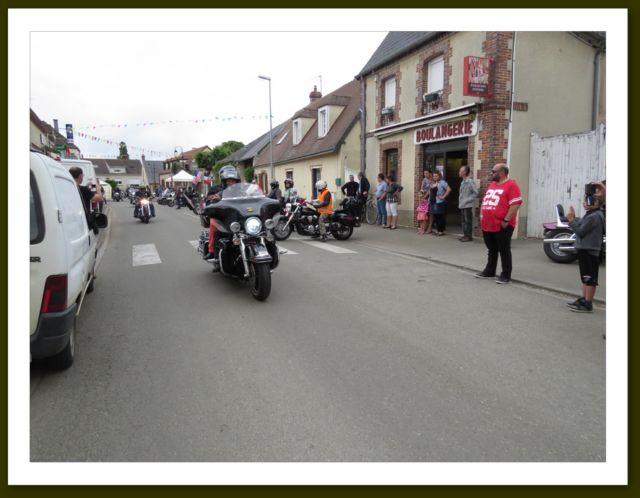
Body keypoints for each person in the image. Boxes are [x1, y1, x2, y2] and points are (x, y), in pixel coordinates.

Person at [475, 163, 523, 284]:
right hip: (488, 223)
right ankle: (489, 271)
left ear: (501, 172)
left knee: (504, 249)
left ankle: (506, 274)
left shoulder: (512, 185)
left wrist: (506, 220)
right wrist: (482, 215)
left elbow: (515, 204)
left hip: (502, 224)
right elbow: (485, 200)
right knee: (491, 249)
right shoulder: (492, 185)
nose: (492, 173)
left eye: (493, 171)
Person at [565, 188, 606, 313]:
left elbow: (580, 231)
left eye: (587, 200)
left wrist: (571, 220)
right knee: (585, 277)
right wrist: (574, 218)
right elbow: (582, 224)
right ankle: (584, 299)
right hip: (586, 249)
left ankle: (588, 304)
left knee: (589, 278)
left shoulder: (594, 216)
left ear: (596, 202)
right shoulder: (593, 214)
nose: (584, 202)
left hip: (589, 250)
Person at [203, 165, 241, 263]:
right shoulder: (216, 190)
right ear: (224, 180)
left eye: (233, 181)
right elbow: (210, 200)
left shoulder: (241, 191)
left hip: (238, 215)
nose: (231, 183)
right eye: (229, 181)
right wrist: (214, 200)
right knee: (214, 223)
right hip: (223, 216)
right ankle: (212, 251)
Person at [68, 166, 103, 232]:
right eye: (83, 175)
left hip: (70, 220)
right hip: (82, 221)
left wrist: (87, 188)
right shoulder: (84, 190)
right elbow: (99, 198)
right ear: (80, 176)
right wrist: (98, 187)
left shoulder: (67, 188)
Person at [458, 165, 479, 242]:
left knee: (467, 221)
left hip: (467, 205)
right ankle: (465, 235)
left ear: (465, 172)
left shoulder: (470, 181)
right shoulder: (463, 182)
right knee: (463, 221)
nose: (459, 172)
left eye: (460, 171)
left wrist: (467, 200)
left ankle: (468, 236)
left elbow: (476, 192)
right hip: (462, 205)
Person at [431, 171, 451, 236]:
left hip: (440, 202)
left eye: (436, 176)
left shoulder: (442, 182)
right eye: (434, 176)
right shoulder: (434, 183)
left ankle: (441, 231)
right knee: (436, 216)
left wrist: (443, 196)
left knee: (440, 216)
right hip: (434, 201)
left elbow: (449, 189)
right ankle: (438, 230)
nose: (435, 177)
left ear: (439, 176)